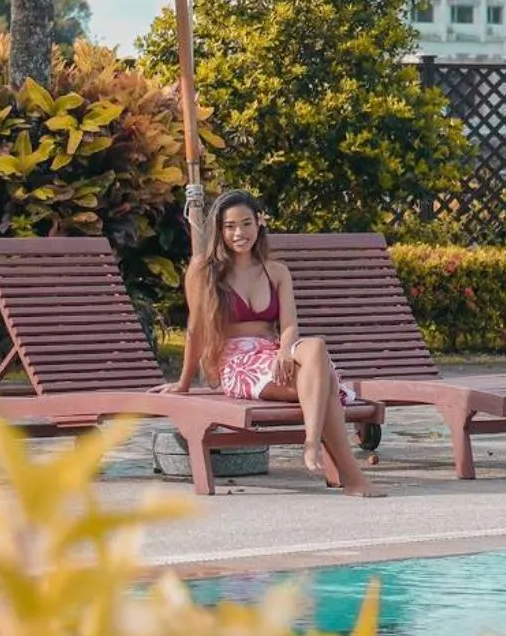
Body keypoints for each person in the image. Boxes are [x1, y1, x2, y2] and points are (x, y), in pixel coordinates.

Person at [155, 189, 382, 497]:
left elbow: (289, 326)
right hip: (238, 362)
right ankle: (351, 477)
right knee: (325, 381)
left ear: (259, 224)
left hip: (275, 354)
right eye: (230, 226)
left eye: (246, 224)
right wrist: (182, 383)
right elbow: (195, 329)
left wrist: (286, 353)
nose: (239, 233)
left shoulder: (276, 272)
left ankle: (312, 443)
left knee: (315, 347)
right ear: (219, 230)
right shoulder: (203, 269)